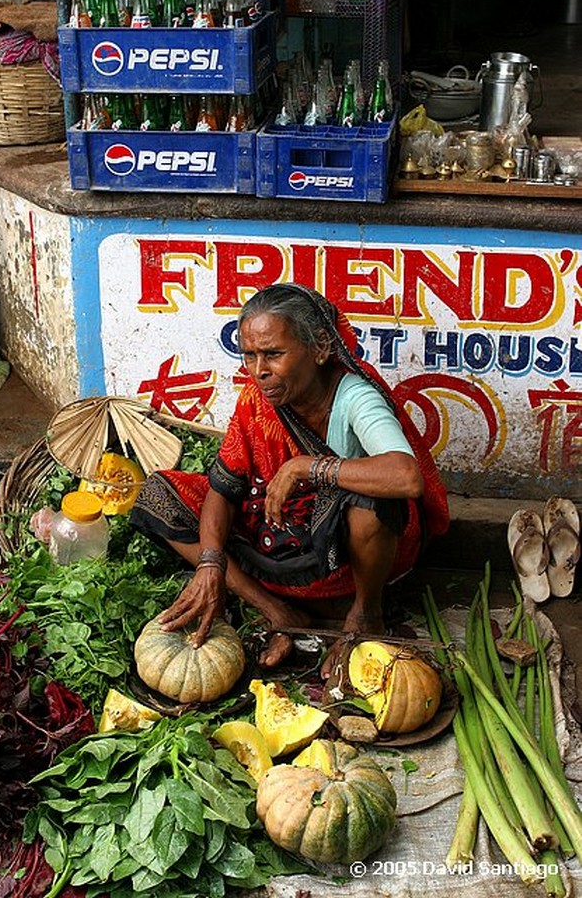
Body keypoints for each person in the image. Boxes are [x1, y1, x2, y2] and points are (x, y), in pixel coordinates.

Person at [130, 284, 449, 676]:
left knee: (372, 506)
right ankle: (278, 610)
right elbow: (223, 488)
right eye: (250, 355)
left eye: (273, 355)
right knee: (159, 495)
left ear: (320, 349)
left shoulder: (355, 397)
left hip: (340, 555)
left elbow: (406, 476)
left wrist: (305, 466)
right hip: (276, 533)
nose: (259, 370)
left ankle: (365, 615)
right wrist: (211, 564)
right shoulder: (256, 398)